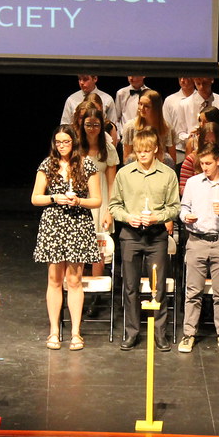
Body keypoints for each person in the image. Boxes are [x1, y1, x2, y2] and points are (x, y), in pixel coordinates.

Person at [31, 125, 104, 352]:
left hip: (78, 224)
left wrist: (77, 201)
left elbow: (97, 200)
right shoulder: (48, 164)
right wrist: (54, 197)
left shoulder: (85, 164)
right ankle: (54, 331)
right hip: (54, 225)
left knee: (74, 280)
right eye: (58, 142)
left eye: (66, 142)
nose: (62, 146)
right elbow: (35, 198)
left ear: (74, 142)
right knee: (54, 279)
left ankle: (75, 333)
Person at [109, 129, 181, 351]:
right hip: (130, 236)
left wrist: (157, 218)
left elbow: (175, 208)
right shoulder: (124, 174)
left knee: (157, 287)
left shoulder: (168, 174)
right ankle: (132, 332)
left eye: (146, 151)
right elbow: (114, 206)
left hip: (156, 236)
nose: (142, 155)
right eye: (139, 151)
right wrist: (128, 217)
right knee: (130, 286)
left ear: (156, 150)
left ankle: (160, 334)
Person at [179, 143, 219, 353]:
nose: (204, 167)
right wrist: (185, 217)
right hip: (197, 240)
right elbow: (184, 208)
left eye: (208, 163)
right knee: (193, 291)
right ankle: (189, 333)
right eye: (202, 163)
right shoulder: (193, 183)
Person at [78, 107, 119, 296]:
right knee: (78, 249)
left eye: (96, 125)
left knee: (98, 251)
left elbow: (112, 183)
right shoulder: (77, 147)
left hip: (101, 201)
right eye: (88, 124)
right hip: (80, 199)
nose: (92, 128)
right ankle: (76, 289)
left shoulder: (107, 148)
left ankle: (96, 295)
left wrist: (109, 210)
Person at [180, 120, 219, 193]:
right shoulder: (190, 160)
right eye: (206, 141)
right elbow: (183, 189)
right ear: (201, 141)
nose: (210, 145)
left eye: (213, 142)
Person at [123, 89, 175, 164]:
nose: (141, 108)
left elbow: (172, 159)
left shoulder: (167, 128)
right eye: (140, 104)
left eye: (146, 106)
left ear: (156, 108)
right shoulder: (130, 127)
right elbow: (126, 158)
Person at [184, 77, 219, 142]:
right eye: (198, 84)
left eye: (204, 83)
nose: (201, 87)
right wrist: (189, 136)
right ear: (194, 81)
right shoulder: (184, 104)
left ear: (212, 79)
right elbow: (179, 132)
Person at [165, 77, 198, 166]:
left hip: (196, 150)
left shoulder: (201, 99)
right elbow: (166, 126)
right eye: (180, 77)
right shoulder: (170, 100)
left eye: (186, 77)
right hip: (176, 149)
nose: (182, 80)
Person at [111, 75, 148, 140]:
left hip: (144, 136)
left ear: (143, 75)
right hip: (125, 136)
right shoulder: (121, 93)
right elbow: (117, 117)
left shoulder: (149, 93)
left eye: (134, 75)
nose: (131, 78)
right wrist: (118, 135)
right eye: (129, 75)